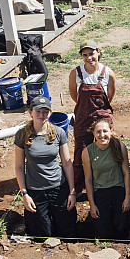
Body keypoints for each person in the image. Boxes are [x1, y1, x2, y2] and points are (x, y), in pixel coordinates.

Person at [14, 96, 76, 239]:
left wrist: (72, 191)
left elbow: (67, 162)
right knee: (42, 234)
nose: (42, 115)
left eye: (45, 112)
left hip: (58, 188)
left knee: (67, 231)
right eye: (38, 111)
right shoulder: (22, 135)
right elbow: (18, 166)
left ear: (50, 113)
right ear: (30, 112)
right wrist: (24, 194)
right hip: (35, 191)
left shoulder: (58, 132)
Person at [69, 40, 117, 194]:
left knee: (107, 151)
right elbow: (74, 96)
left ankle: (109, 185)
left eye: (91, 53)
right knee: (80, 154)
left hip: (102, 119)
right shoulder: (75, 73)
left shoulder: (108, 73)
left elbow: (109, 97)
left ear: (98, 52)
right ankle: (78, 188)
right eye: (85, 55)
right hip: (83, 119)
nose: (89, 57)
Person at [82, 118, 130, 239]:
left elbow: (126, 173)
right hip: (100, 191)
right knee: (101, 228)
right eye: (98, 132)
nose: (102, 135)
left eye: (105, 131)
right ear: (93, 133)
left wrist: (127, 197)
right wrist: (92, 204)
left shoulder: (120, 147)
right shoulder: (88, 152)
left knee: (120, 226)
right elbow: (88, 180)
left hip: (118, 189)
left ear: (111, 131)